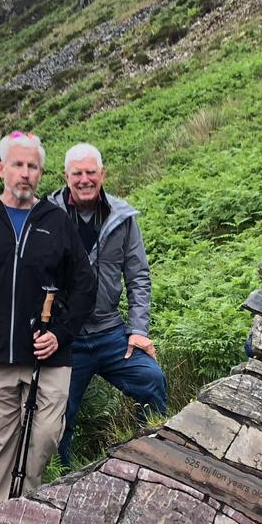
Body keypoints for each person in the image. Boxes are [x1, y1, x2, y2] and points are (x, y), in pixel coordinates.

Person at [0, 131, 95, 509]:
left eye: (33, 166)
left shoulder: (57, 222)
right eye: (18, 164)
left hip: (49, 356)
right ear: (1, 168)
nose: (25, 173)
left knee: (46, 434)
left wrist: (60, 335)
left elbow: (84, 287)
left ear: (42, 172)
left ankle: (24, 505)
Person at [48, 143, 167, 466]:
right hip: (66, 338)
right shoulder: (46, 216)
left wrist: (139, 329)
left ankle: (153, 459)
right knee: (57, 416)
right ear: (66, 176)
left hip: (111, 332)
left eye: (90, 172)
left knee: (151, 380)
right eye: (77, 173)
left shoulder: (122, 217)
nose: (84, 179)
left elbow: (138, 276)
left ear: (102, 174)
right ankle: (60, 479)